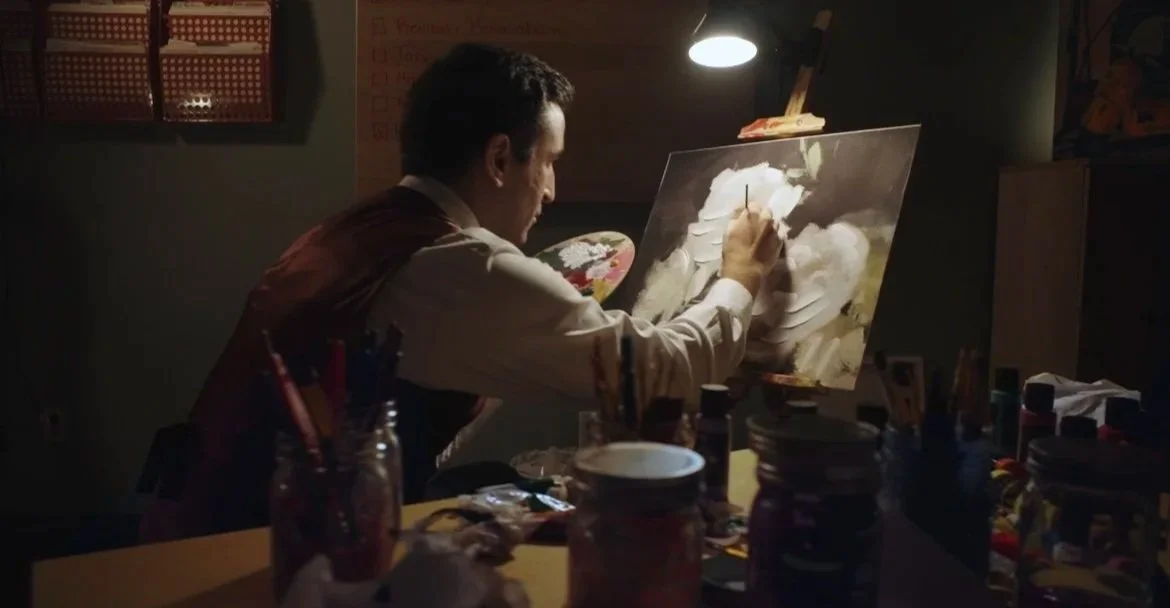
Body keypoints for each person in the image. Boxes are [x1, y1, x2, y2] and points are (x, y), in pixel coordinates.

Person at [138, 42, 783, 542]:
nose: (551, 190)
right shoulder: (459, 265)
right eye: (549, 161)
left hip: (202, 528)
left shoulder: (362, 230)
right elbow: (661, 373)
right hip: (265, 556)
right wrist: (741, 275)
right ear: (500, 159)